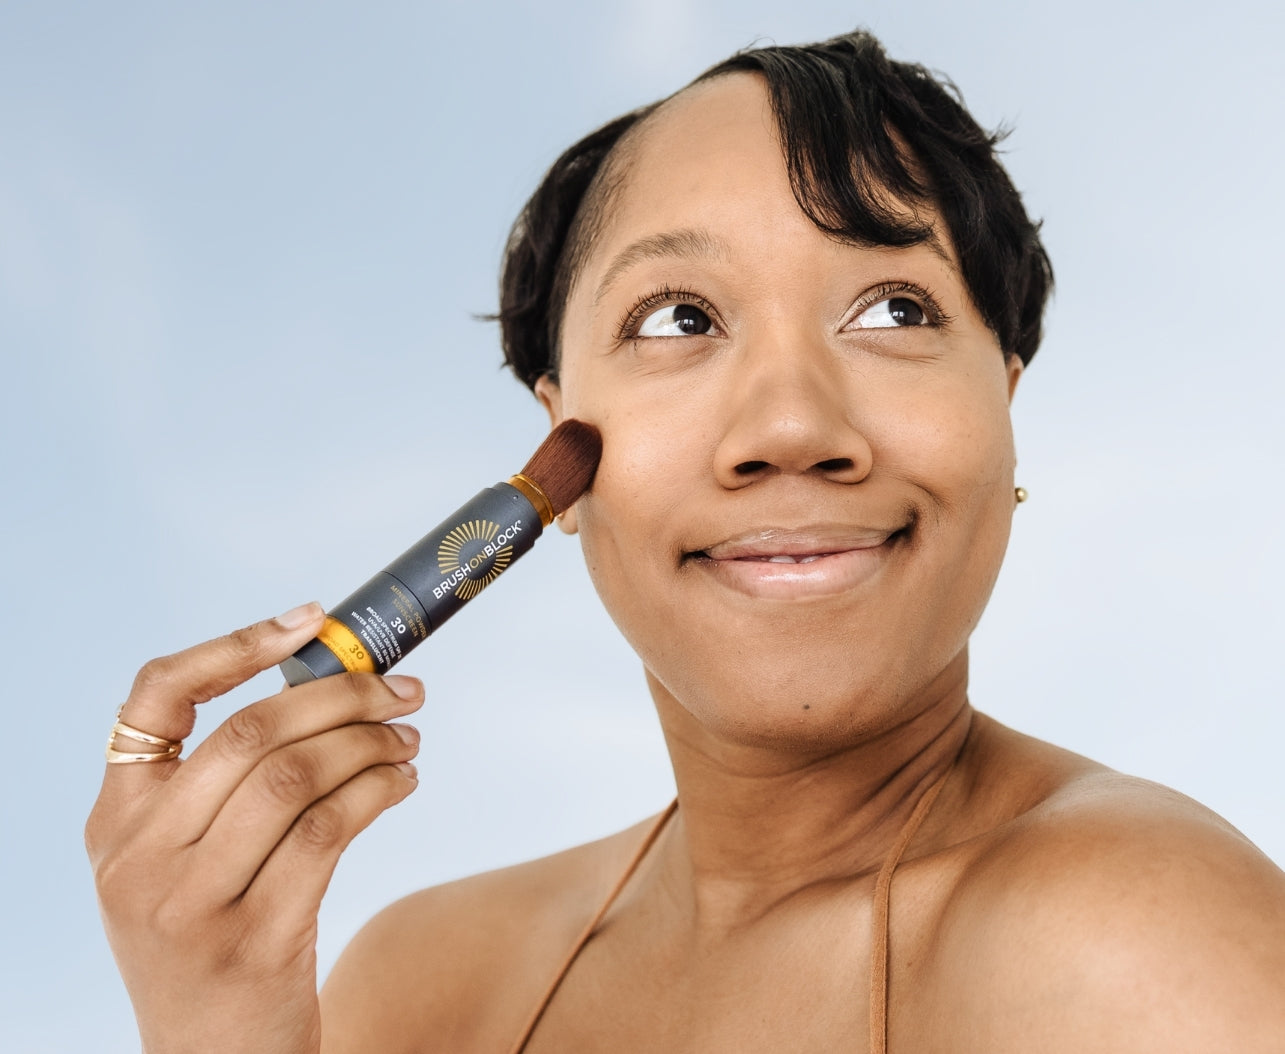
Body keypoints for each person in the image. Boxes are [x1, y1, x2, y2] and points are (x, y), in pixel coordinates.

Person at [86, 29, 1285, 1053]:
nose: (789, 425)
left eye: (894, 310)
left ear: (1004, 405)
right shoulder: (421, 982)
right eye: (678, 317)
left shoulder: (1137, 942)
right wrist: (215, 1027)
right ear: (559, 455)